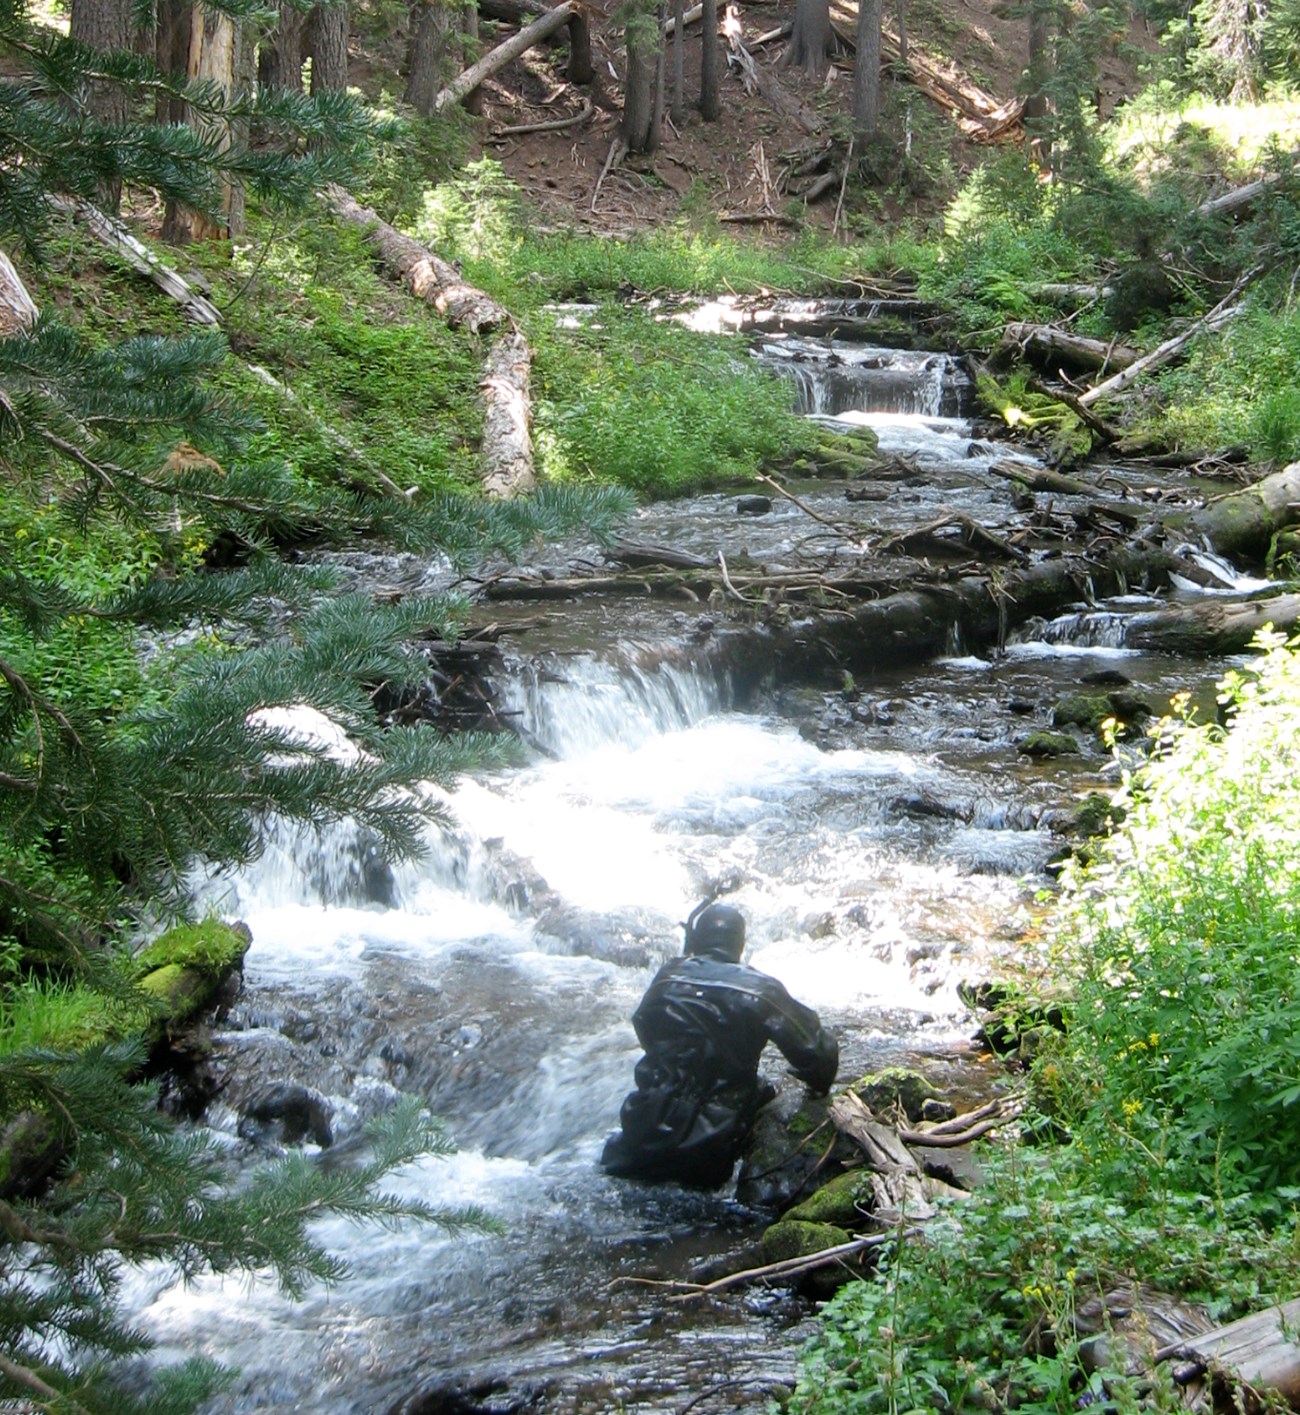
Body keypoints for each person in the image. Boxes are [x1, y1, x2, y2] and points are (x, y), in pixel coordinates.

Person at [601, 901, 839, 1188]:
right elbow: (819, 1056)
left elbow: (645, 1030)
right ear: (740, 944)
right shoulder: (760, 990)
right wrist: (817, 1087)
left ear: (695, 940)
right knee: (765, 1092)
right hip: (710, 1146)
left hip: (641, 1135)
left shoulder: (666, 979)